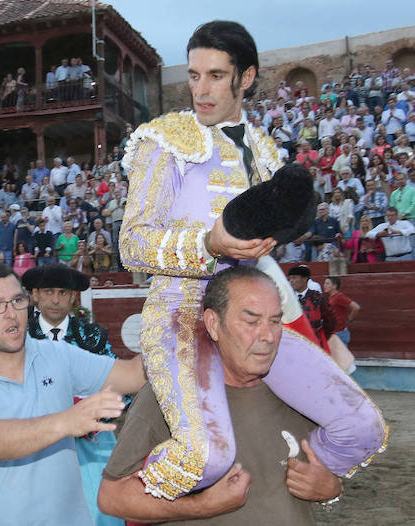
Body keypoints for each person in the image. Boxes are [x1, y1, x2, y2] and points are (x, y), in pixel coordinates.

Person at [119, 21, 387, 500]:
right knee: (204, 458)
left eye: (216, 76)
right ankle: (136, 500)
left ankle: (281, 488)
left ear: (245, 78)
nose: (200, 89)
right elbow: (132, 243)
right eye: (195, 75)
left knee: (362, 426)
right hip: (182, 310)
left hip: (252, 313)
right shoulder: (164, 140)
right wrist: (208, 243)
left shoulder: (264, 151)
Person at [97, 266, 378, 525]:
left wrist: (331, 488)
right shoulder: (168, 395)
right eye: (251, 321)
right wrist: (202, 505)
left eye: (275, 321)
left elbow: (322, 475)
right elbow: (111, 497)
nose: (267, 336)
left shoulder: (305, 394)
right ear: (213, 324)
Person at [0, 263, 146, 526]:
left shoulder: (56, 355)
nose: (11, 314)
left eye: (17, 300)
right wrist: (67, 421)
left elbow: (134, 375)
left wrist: (177, 328)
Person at [22, 264, 144, 526]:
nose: (55, 299)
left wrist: (99, 412)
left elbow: (121, 389)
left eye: (63, 293)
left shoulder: (93, 337)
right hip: (34, 440)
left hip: (91, 442)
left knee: (97, 507)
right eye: (48, 292)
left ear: (73, 297)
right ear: (35, 295)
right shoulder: (20, 339)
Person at [287, 265, 337, 351]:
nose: (291, 281)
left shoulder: (318, 298)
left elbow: (330, 321)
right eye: (290, 279)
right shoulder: (287, 299)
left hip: (313, 343)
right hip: (292, 345)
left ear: (305, 279)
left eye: (294, 278)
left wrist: (321, 336)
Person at [323, 276, 359, 347]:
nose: (324, 285)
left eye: (327, 283)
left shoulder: (339, 296)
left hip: (339, 333)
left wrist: (349, 318)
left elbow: (356, 307)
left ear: (334, 286)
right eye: (324, 283)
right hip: (334, 332)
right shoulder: (331, 297)